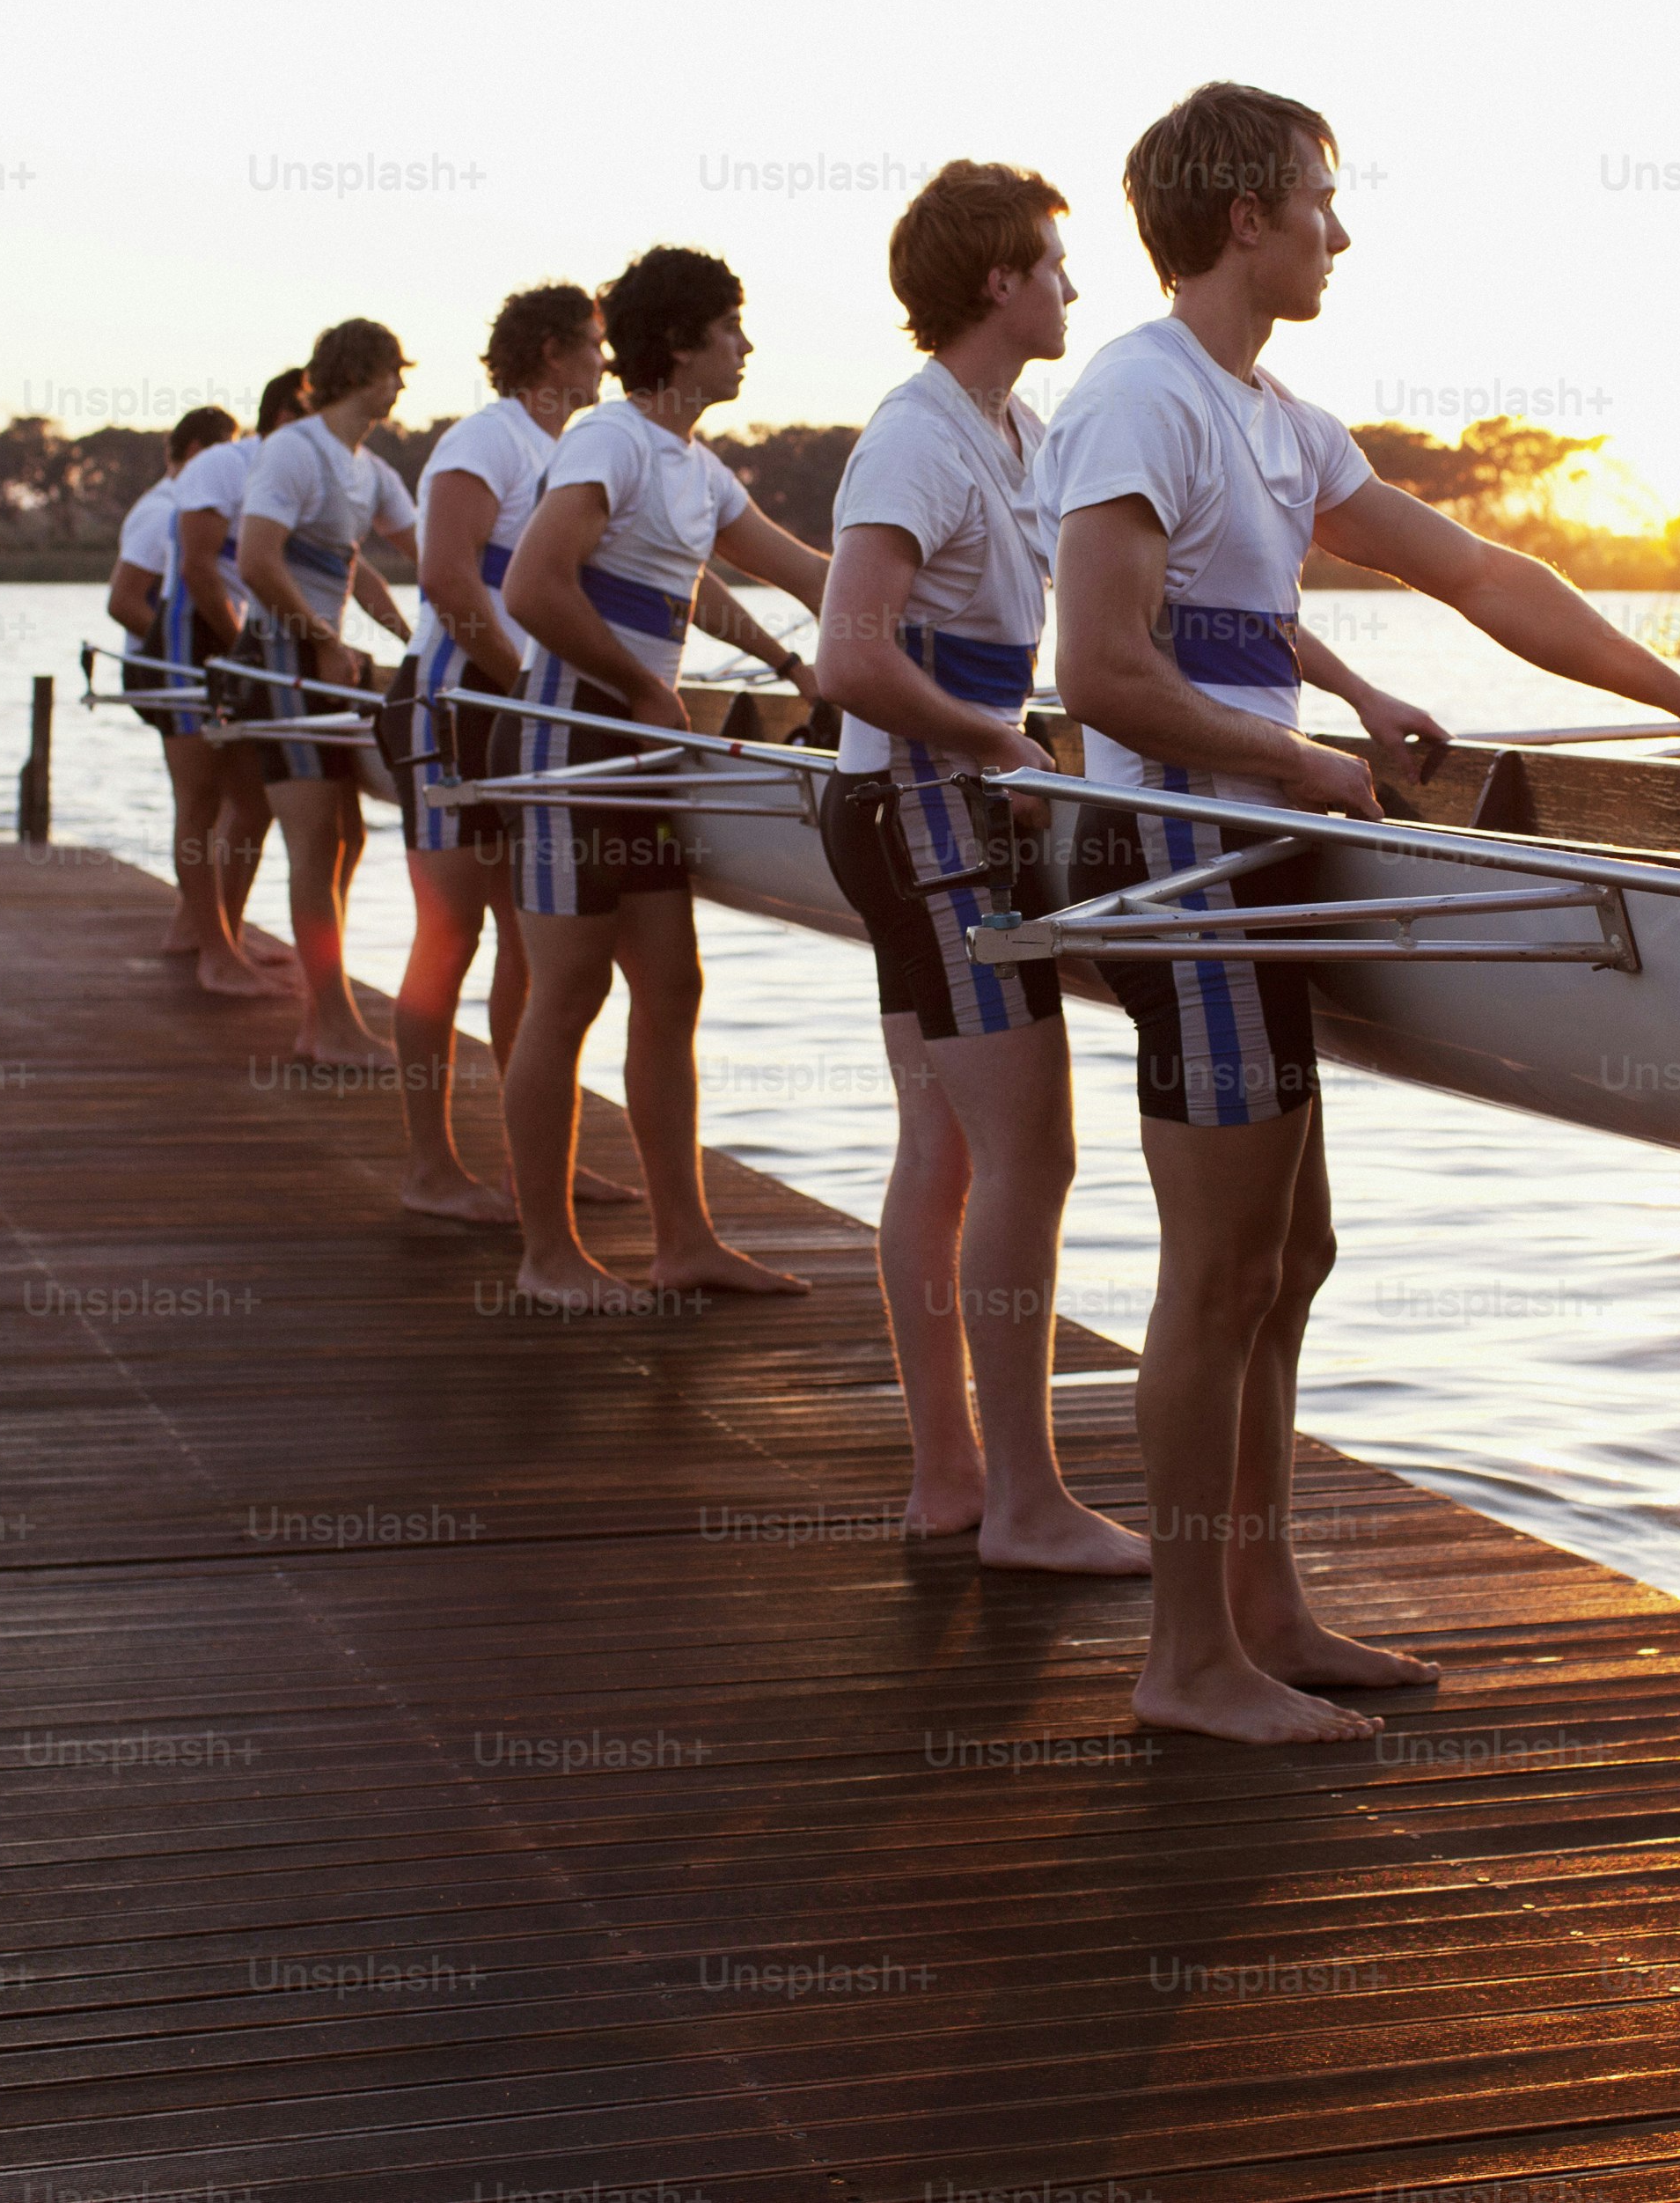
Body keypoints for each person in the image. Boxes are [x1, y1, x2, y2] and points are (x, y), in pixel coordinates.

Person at [1042, 82, 1680, 1745]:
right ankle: (1184, 1661)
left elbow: (1486, 578)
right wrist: (1294, 757)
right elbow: (1099, 670)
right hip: (1182, 867)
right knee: (1220, 1269)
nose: (1341, 232)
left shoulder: (1275, 416)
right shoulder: (1137, 396)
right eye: (1321, 200)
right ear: (1246, 221)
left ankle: (1265, 1605)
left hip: (1245, 849)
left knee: (1294, 1252)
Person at [814, 165, 1145, 1575]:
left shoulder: (1014, 428)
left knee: (945, 1150)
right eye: (1058, 267)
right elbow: (850, 655)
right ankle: (1021, 1503)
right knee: (1032, 1152)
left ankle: (952, 1477)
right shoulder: (915, 441)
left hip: (915, 808)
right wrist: (1001, 745)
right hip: (923, 816)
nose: (1076, 288)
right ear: (1000, 281)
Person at [495, 246, 830, 1312]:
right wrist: (637, 688)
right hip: (570, 741)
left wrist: (810, 654)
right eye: (731, 326)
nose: (746, 345)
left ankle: (682, 1241)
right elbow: (532, 584)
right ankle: (545, 1256)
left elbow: (787, 569)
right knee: (568, 994)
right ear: (680, 342)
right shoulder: (608, 437)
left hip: (638, 746)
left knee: (672, 986)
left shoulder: (695, 464)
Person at [386, 284, 608, 1223]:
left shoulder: (569, 450)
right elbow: (442, 573)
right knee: (450, 938)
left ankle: (535, 1162)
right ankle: (431, 1167)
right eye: (594, 344)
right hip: (451, 712)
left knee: (531, 947)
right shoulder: (488, 437)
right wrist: (524, 684)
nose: (605, 359)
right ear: (552, 352)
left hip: (515, 713)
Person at [241, 320, 421, 1069]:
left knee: (346, 840)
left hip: (320, 663)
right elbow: (256, 560)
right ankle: (331, 1026)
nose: (402, 385)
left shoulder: (367, 468)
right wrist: (321, 635)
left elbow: (416, 555)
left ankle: (326, 1015)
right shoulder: (294, 449)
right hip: (281, 662)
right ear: (364, 374)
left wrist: (419, 635)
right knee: (315, 844)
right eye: (394, 372)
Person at [169, 373, 309, 997]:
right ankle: (213, 953)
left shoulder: (308, 471)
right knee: (199, 803)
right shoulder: (224, 464)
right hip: (194, 641)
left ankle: (222, 931)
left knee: (252, 802)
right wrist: (240, 652)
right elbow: (200, 569)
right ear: (286, 412)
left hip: (249, 647)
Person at [106, 405, 243, 958]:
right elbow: (122, 600)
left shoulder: (201, 508)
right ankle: (202, 930)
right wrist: (180, 659)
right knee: (202, 800)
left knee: (233, 799)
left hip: (201, 669)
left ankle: (207, 924)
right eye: (222, 454)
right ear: (194, 454)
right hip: (168, 670)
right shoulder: (160, 509)